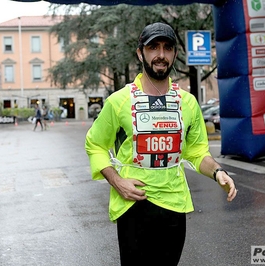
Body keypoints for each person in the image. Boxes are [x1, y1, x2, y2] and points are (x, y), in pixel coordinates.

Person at [85, 22, 237, 266]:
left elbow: (197, 152)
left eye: (167, 48)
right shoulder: (119, 102)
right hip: (133, 202)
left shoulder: (187, 103)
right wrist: (117, 182)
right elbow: (95, 145)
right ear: (140, 53)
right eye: (153, 47)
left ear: (175, 54)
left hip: (174, 204)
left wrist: (218, 172)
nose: (160, 55)